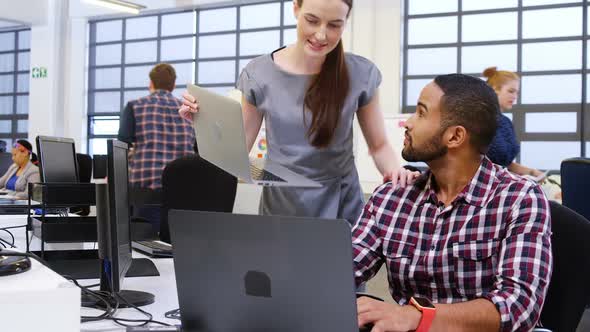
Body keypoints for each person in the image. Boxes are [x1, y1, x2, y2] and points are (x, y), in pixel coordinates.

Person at [180, 0, 417, 224]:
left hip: (342, 207)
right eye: (312, 20)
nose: (321, 35)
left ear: (347, 20)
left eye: (334, 25)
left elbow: (379, 146)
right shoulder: (260, 74)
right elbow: (238, 152)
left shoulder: (360, 73)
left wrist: (395, 173)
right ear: (295, 8)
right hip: (282, 208)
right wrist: (202, 122)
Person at [352, 74, 552, 331]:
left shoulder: (519, 199)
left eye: (421, 113)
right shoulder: (391, 198)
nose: (408, 123)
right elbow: (343, 268)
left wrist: (416, 316)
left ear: (455, 137)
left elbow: (518, 307)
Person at [118, 63, 196, 229]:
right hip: (181, 194)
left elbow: (121, 147)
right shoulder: (188, 113)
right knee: (173, 248)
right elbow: (197, 151)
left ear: (150, 83)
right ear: (173, 85)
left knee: (143, 245)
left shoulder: (135, 107)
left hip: (146, 193)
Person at [483, 67, 545, 180]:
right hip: (484, 185)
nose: (515, 96)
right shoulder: (479, 120)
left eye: (517, 92)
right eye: (511, 91)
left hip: (503, 181)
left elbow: (505, 164)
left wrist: (532, 172)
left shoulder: (506, 122)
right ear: (494, 89)